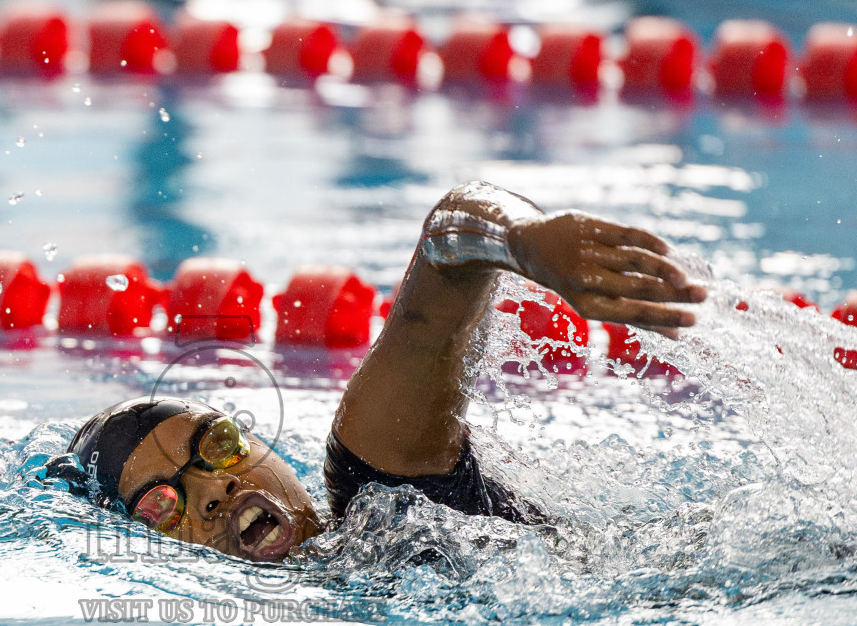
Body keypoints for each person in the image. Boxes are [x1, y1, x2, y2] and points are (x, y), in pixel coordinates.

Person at [50, 181, 708, 563]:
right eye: (163, 506)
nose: (211, 491)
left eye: (216, 445)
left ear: (265, 448)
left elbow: (449, 246)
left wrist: (522, 242)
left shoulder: (382, 489)